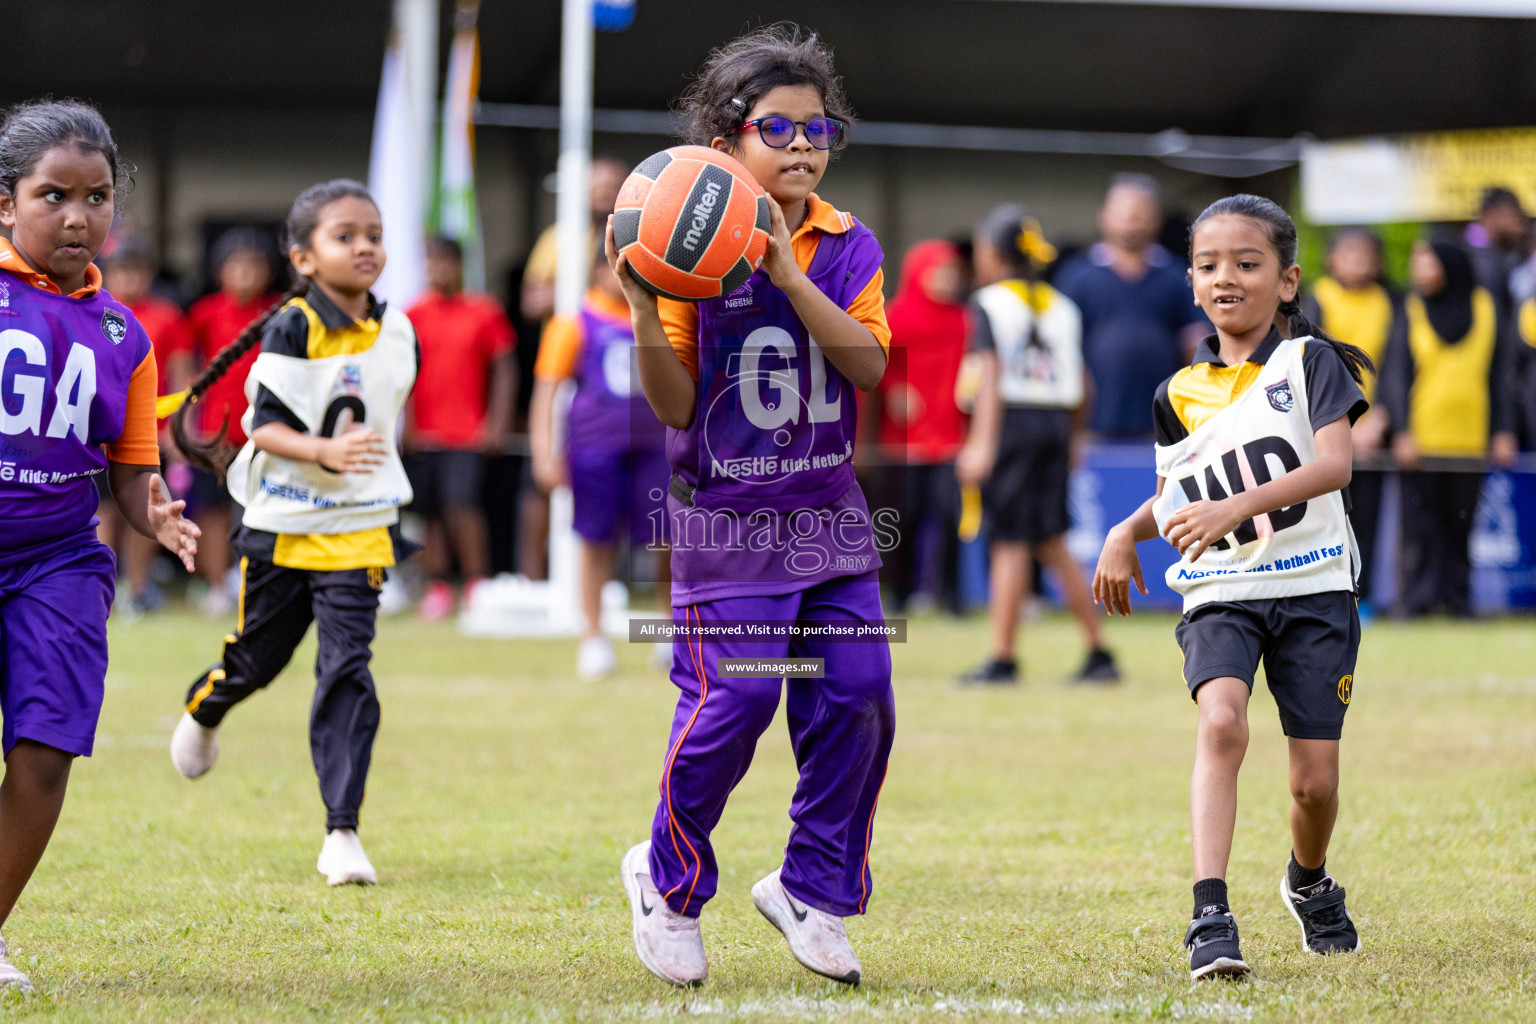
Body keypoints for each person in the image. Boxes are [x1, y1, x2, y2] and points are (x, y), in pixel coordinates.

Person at [609, 25, 893, 989]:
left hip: (830, 514)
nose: (806, 145)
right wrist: (647, 310)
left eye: (822, 129)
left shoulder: (847, 245)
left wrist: (786, 270)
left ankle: (812, 888)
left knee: (858, 698)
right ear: (725, 143)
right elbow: (676, 407)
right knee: (736, 702)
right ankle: (669, 883)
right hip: (729, 523)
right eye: (780, 128)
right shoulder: (686, 256)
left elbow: (867, 366)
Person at [1094, 194, 1373, 980]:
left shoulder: (1308, 363)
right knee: (1221, 723)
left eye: (1247, 264)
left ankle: (1308, 880)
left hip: (1317, 588)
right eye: (1210, 264)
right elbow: (1179, 499)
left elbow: (1334, 466)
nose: (1227, 277)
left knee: (1314, 786)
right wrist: (1124, 533)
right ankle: (1210, 915)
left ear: (1285, 281)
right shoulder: (1175, 393)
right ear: (1190, 282)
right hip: (1220, 588)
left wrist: (1234, 507)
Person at [0, 99, 199, 992]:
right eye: (53, 196)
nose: (78, 216)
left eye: (97, 196)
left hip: (58, 563)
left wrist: (151, 508)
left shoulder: (126, 333)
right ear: (6, 204)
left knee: (44, 751)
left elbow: (128, 466)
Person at [167, 180, 417, 887]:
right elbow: (265, 426)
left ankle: (342, 831)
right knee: (257, 661)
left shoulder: (398, 327)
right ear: (304, 258)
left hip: (360, 529)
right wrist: (326, 453)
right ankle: (206, 707)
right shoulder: (293, 325)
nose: (365, 245)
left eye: (373, 233)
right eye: (345, 235)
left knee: (347, 671)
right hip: (281, 525)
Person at [956, 207, 1117, 685]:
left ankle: (1003, 657)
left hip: (1011, 422)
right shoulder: (1062, 304)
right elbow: (1083, 380)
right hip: (1054, 422)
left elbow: (990, 373)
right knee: (1052, 540)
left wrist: (980, 443)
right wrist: (1076, 435)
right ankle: (1099, 652)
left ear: (993, 254)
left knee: (1008, 540)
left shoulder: (987, 301)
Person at [530, 247, 670, 679]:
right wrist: (544, 453)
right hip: (595, 449)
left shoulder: (663, 316)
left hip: (656, 446)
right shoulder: (573, 323)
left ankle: (671, 631)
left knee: (669, 540)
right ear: (597, 271)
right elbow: (547, 391)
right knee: (596, 542)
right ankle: (593, 637)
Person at [1381, 239, 1518, 617]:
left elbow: (1499, 377)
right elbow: (1397, 374)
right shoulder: (1410, 308)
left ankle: (1459, 601)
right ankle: (1417, 601)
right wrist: (1402, 431)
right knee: (1420, 527)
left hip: (1470, 439)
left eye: (1427, 260)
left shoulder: (1486, 308)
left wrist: (1503, 430)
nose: (1419, 269)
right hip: (1421, 440)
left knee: (1461, 526)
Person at [404, 235, 516, 620]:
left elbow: (505, 368)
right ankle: (437, 586)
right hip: (424, 434)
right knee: (430, 512)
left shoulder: (483, 311)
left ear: (459, 266)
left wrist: (496, 423)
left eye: (445, 263)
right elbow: (400, 373)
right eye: (431, 262)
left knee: (462, 505)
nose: (438, 270)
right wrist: (406, 423)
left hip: (468, 432)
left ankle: (475, 583)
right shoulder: (412, 314)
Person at [1053, 174, 1208, 439]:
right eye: (1123, 211)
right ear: (1103, 215)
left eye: (1141, 212)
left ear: (1156, 218)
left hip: (1161, 428)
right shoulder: (1077, 277)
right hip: (1091, 426)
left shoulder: (1178, 276)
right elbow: (1059, 348)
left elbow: (1194, 344)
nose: (1131, 219)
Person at [96, 237, 195, 614]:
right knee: (103, 511)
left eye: (135, 271)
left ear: (149, 275)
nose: (128, 278)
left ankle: (138, 588)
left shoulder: (166, 315)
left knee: (148, 509)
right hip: (102, 431)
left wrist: (177, 428)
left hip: (151, 432)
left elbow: (183, 375)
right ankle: (106, 588)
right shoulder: (93, 309)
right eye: (120, 270)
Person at [185, 229, 280, 616]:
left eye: (252, 266)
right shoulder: (205, 313)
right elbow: (192, 373)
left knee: (262, 508)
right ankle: (216, 584)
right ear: (219, 271)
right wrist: (188, 425)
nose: (243, 273)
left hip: (266, 432)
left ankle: (257, 580)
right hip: (216, 434)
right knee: (213, 511)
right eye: (234, 265)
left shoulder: (278, 313)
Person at [1304, 228, 1397, 610]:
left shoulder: (1390, 302)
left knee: (1368, 516)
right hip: (1327, 425)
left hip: (1374, 430)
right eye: (1350, 253)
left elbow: (1396, 366)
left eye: (1366, 254)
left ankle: (1366, 595)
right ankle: (1325, 593)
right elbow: (1311, 362)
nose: (1359, 262)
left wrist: (1380, 420)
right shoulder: (1318, 297)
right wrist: (1342, 424)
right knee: (1324, 514)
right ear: (1332, 258)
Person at [876, 240, 969, 615]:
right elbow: (874, 362)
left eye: (952, 273)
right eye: (940, 272)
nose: (948, 281)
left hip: (950, 436)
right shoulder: (893, 316)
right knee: (905, 519)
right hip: (905, 439)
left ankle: (951, 598)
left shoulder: (965, 320)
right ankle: (900, 595)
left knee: (950, 517)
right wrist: (894, 389)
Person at [1465, 186, 1526, 317]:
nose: (1519, 227)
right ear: (1490, 214)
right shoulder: (1476, 260)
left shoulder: (1500, 256)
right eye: (1512, 215)